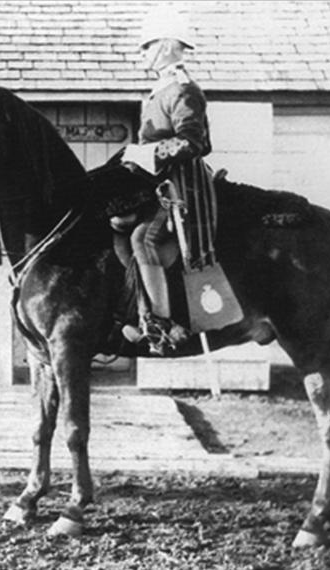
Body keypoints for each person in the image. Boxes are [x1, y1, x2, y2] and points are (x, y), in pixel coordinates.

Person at [111, 11, 212, 355]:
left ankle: (162, 324)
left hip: (180, 186)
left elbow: (194, 143)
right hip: (152, 183)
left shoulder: (183, 90)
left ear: (167, 47)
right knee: (116, 224)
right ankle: (134, 311)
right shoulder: (160, 90)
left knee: (146, 237)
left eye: (147, 46)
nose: (143, 53)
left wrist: (149, 153)